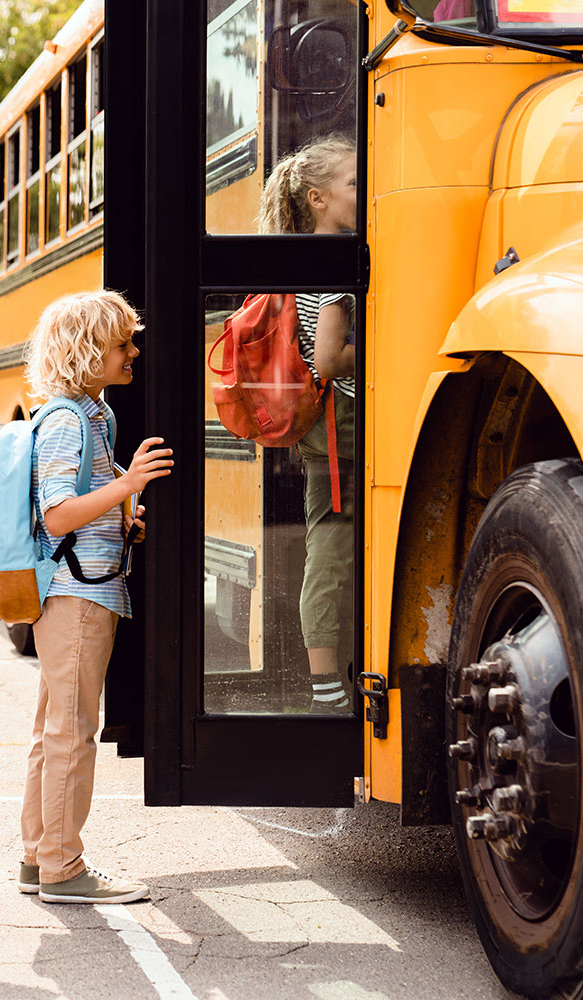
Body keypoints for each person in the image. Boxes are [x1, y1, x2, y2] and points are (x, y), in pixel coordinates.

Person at [17, 291, 173, 904]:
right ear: (86, 352)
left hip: (82, 589)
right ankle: (63, 867)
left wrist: (124, 512)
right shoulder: (65, 421)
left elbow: (83, 508)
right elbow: (57, 516)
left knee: (54, 729)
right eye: (122, 344)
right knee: (72, 733)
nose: (134, 352)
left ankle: (38, 858)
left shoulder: (93, 416)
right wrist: (129, 485)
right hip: (76, 596)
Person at [257, 134, 359, 713]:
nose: (361, 192)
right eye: (352, 184)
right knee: (331, 546)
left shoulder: (310, 255)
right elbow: (327, 358)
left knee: (331, 542)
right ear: (318, 199)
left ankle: (329, 673)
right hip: (341, 422)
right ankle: (326, 683)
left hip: (325, 427)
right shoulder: (334, 263)